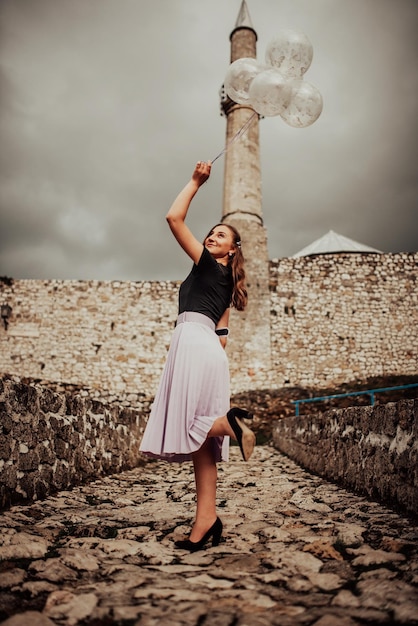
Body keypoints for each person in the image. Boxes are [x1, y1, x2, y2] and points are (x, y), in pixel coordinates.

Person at [139, 159, 256, 552]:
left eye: (220, 235)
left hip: (190, 339)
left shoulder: (208, 266)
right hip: (211, 349)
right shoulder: (229, 285)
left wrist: (195, 181)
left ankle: (230, 425)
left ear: (232, 249)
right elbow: (222, 336)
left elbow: (173, 218)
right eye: (210, 233)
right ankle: (206, 519)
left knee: (191, 424)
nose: (211, 237)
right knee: (202, 448)